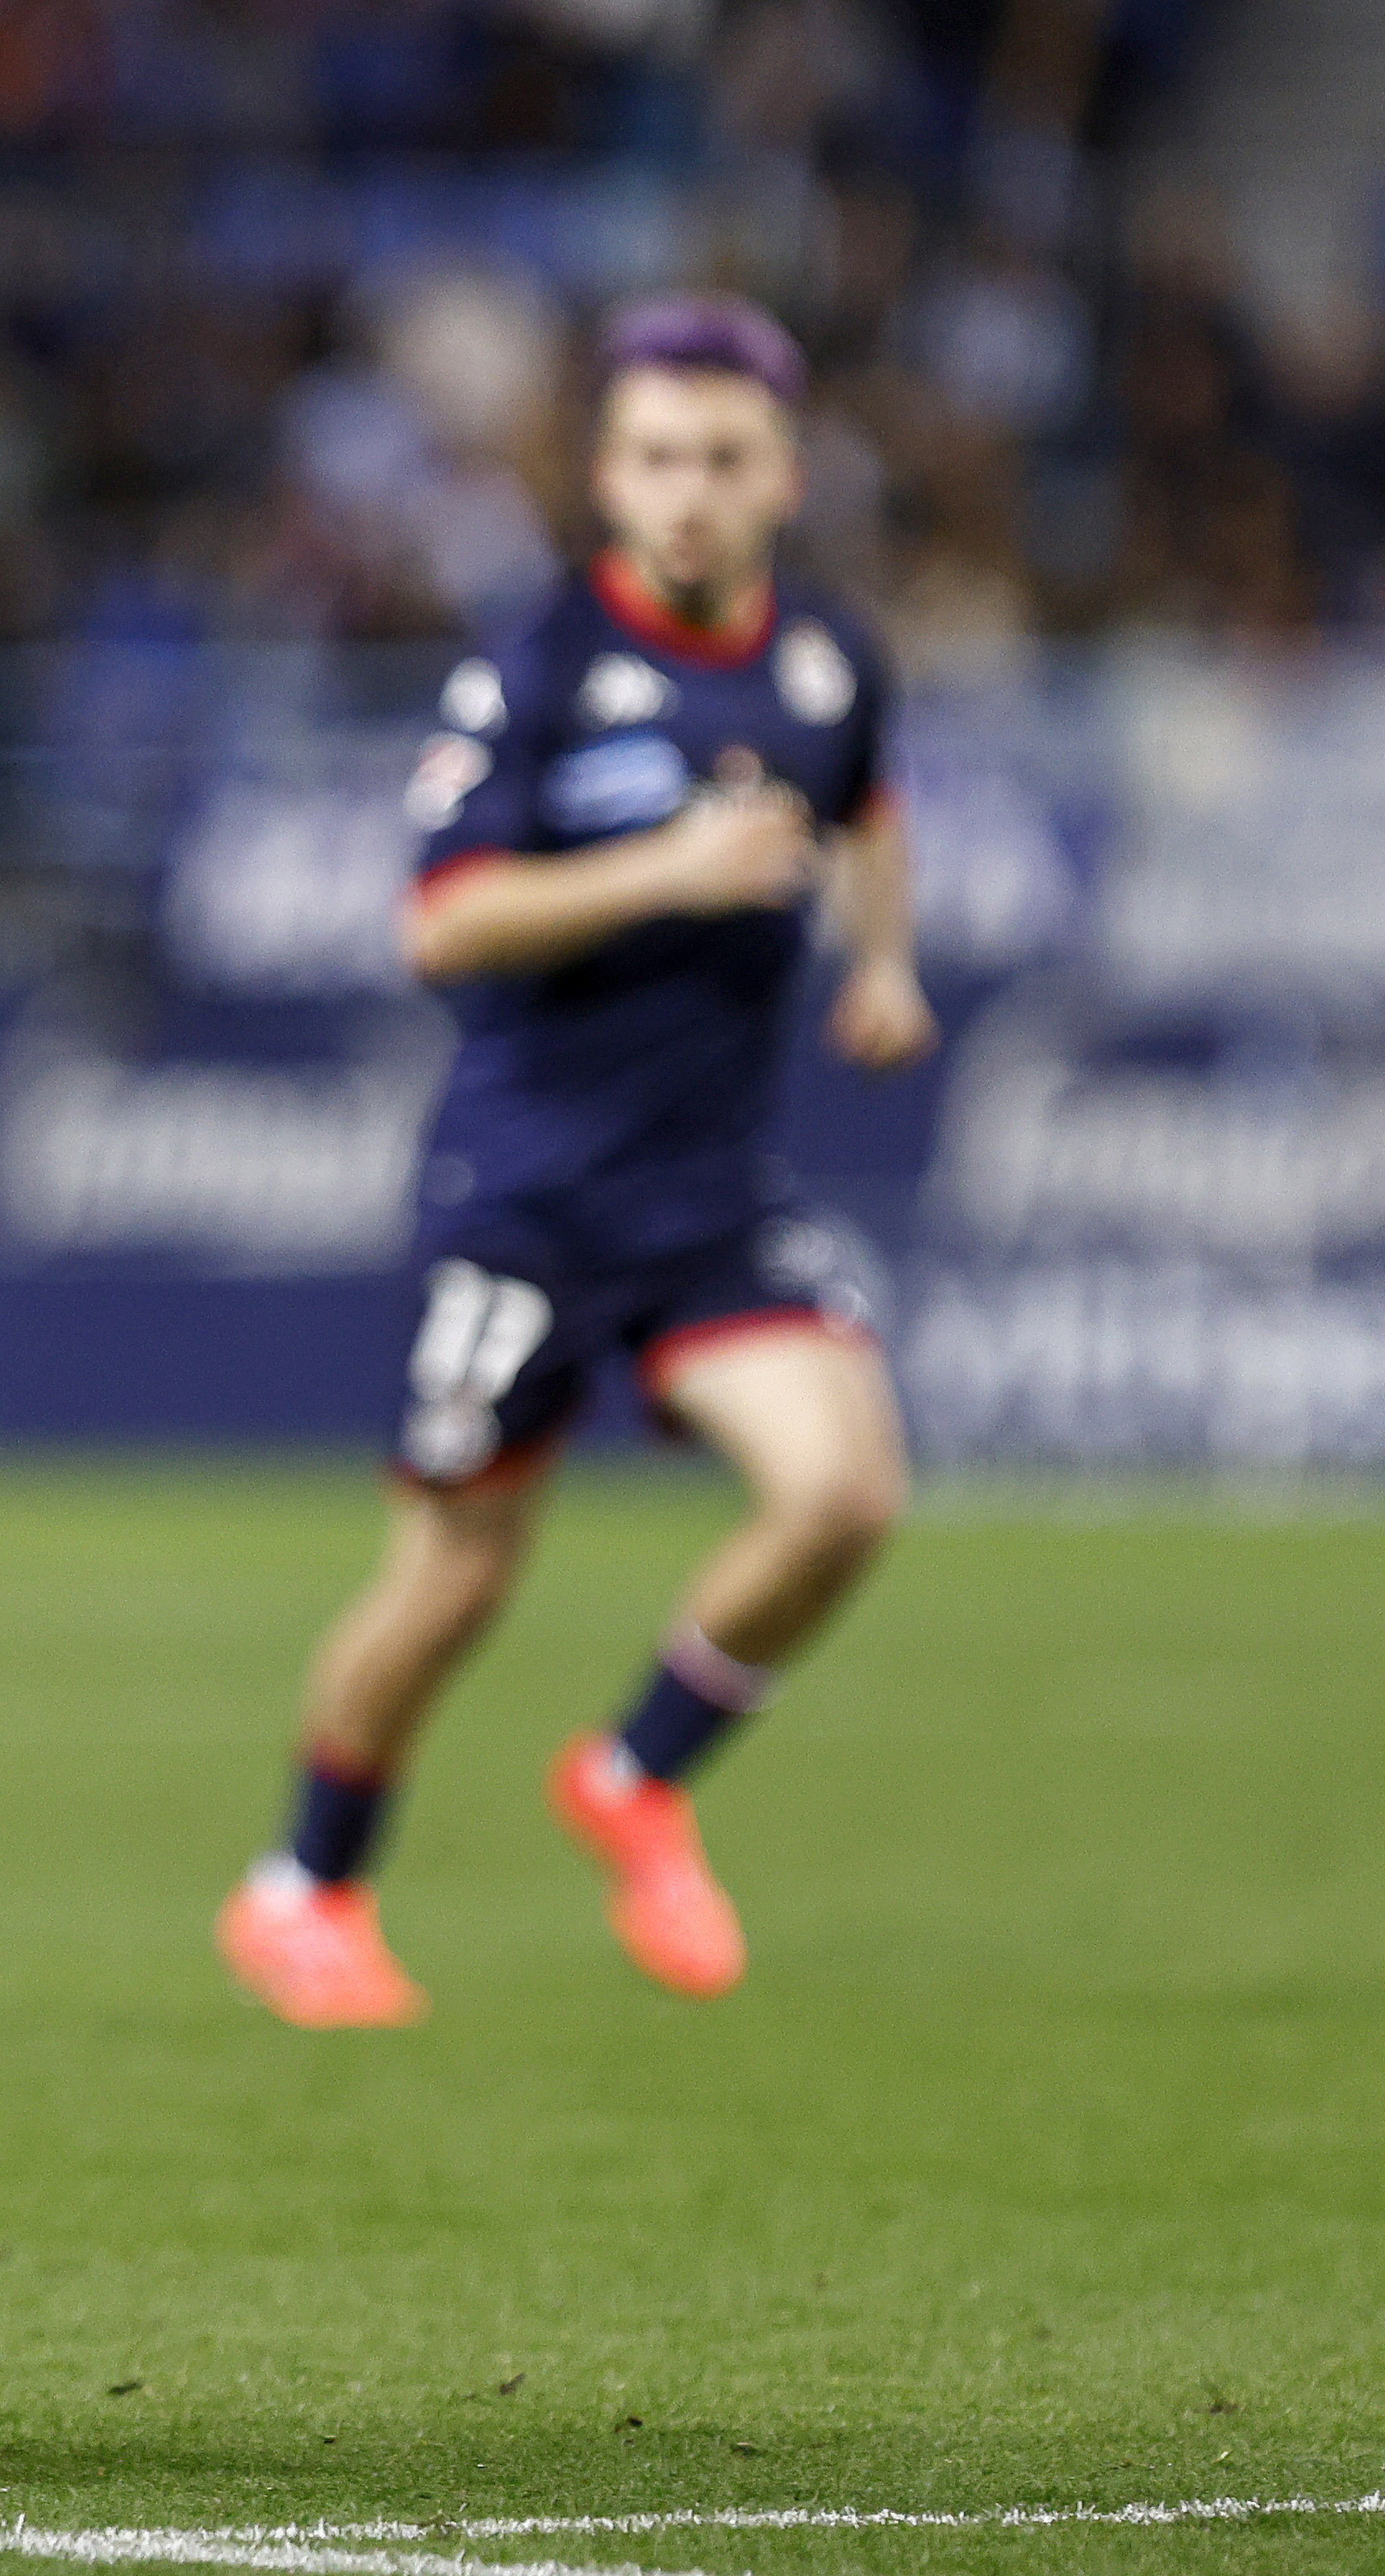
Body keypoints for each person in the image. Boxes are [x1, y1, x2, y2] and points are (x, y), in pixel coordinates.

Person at [219, 293, 940, 2030]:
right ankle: (303, 1884)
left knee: (844, 1495)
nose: (688, 492)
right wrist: (664, 872)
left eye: (724, 459)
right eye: (655, 458)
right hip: (527, 1199)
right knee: (455, 1576)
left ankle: (632, 1774)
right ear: (605, 478)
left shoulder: (828, 658)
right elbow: (440, 921)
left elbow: (867, 804)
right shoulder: (532, 667)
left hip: (714, 1196)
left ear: (784, 477)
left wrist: (884, 963)